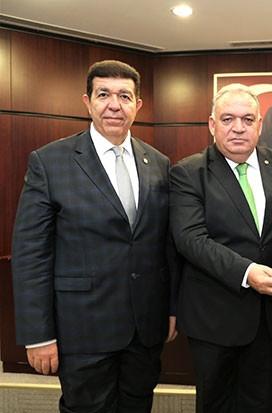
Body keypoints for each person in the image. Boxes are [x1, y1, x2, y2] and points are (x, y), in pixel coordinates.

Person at [11, 60, 178, 412]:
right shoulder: (50, 162)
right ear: (87, 102)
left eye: (124, 96)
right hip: (82, 328)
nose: (114, 105)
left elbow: (166, 245)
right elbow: (31, 255)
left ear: (138, 105)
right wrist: (38, 335)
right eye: (103, 95)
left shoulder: (159, 163)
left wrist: (172, 309)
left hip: (144, 329)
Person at [169, 83, 272, 412]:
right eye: (228, 119)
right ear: (212, 124)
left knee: (261, 404)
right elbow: (191, 239)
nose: (238, 128)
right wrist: (247, 272)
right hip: (214, 317)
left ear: (260, 124)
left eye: (247, 119)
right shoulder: (188, 172)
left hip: (269, 318)